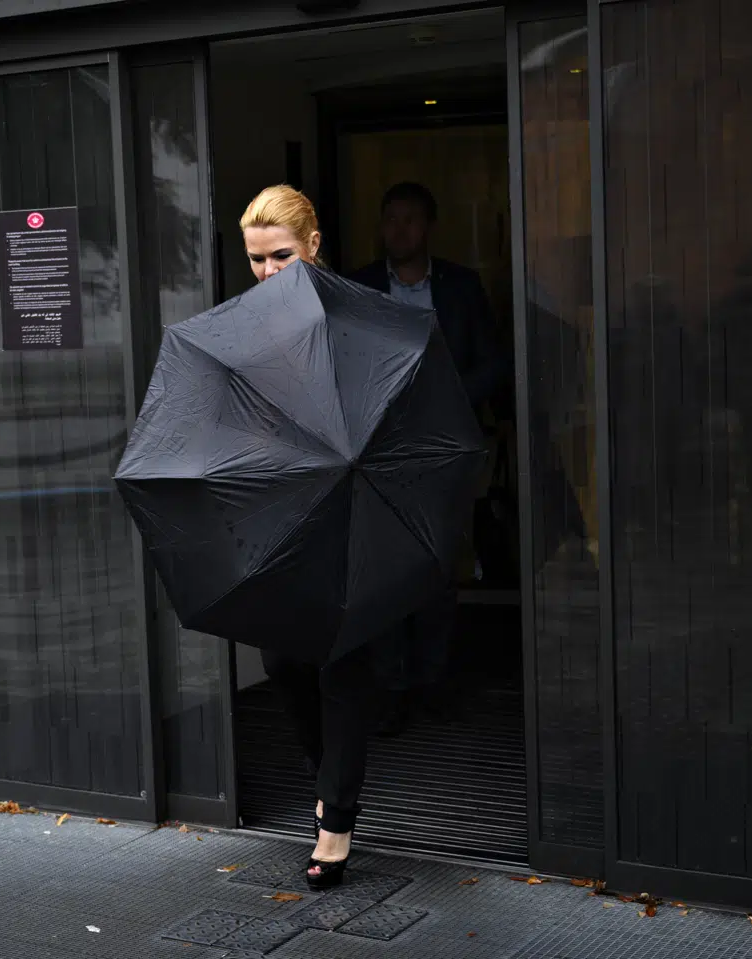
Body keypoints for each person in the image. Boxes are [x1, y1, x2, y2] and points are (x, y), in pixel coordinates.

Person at [237, 185, 374, 891]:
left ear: (313, 245)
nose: (266, 273)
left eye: (280, 257)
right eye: (256, 260)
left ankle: (336, 822)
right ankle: (330, 779)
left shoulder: (354, 317)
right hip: (285, 515)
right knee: (285, 661)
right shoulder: (248, 329)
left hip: (351, 512)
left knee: (342, 667)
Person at [349, 182, 508, 735]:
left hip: (443, 447)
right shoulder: (361, 285)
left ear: (429, 227)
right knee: (386, 572)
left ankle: (432, 683)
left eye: (410, 221)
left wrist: (449, 395)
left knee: (439, 570)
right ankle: (391, 686)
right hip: (379, 449)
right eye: (390, 220)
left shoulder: (461, 287)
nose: (399, 231)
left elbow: (494, 361)